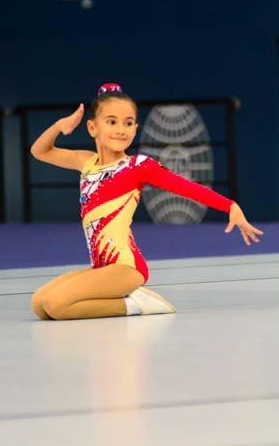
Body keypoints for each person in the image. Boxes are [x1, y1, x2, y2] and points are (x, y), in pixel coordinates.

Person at [29, 83, 262, 319]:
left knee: (56, 306)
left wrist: (230, 206)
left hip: (125, 267)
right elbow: (40, 151)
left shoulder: (138, 166)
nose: (121, 130)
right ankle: (127, 300)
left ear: (135, 128)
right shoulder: (86, 161)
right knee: (39, 304)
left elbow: (186, 187)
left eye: (128, 123)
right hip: (102, 267)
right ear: (92, 127)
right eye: (112, 122)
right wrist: (59, 126)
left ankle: (138, 305)